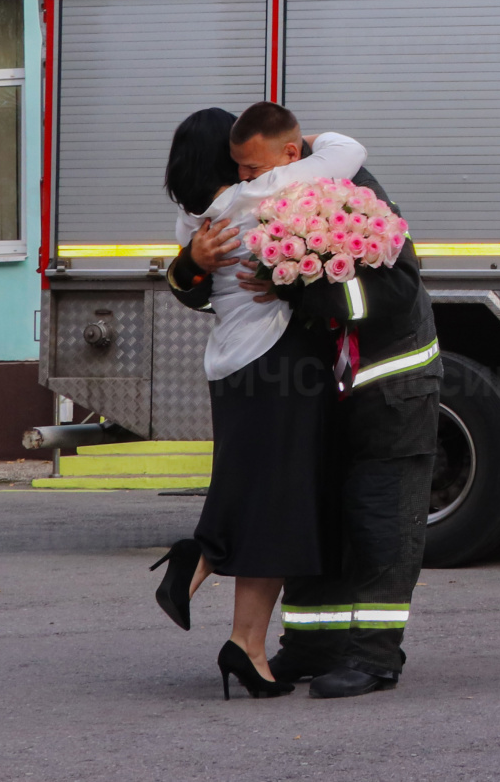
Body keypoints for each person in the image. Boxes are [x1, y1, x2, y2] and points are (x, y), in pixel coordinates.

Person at [193, 101, 442, 700]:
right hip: (320, 396)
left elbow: (392, 294)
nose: (248, 184)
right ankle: (312, 642)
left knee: (381, 520)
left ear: (291, 153)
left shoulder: (354, 197)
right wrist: (196, 267)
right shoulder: (276, 200)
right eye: (240, 173)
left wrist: (299, 285)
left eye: (253, 169)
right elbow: (218, 293)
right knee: (316, 516)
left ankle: (375, 655)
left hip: (389, 389)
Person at [151, 109, 368, 699]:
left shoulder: (193, 220)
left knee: (263, 497)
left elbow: (188, 280)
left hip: (229, 362)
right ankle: (201, 558)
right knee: (276, 502)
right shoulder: (257, 193)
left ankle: (245, 644)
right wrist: (297, 140)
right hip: (276, 363)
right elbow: (348, 149)